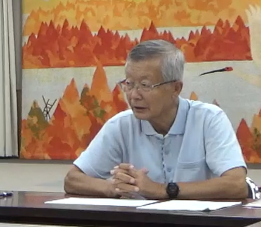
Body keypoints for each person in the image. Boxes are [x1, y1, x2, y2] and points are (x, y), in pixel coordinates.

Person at [64, 40, 249, 200]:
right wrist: (113, 187)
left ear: (175, 88)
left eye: (145, 85)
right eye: (129, 84)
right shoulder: (121, 125)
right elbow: (72, 180)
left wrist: (162, 190)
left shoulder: (208, 119)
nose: (134, 95)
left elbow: (236, 184)